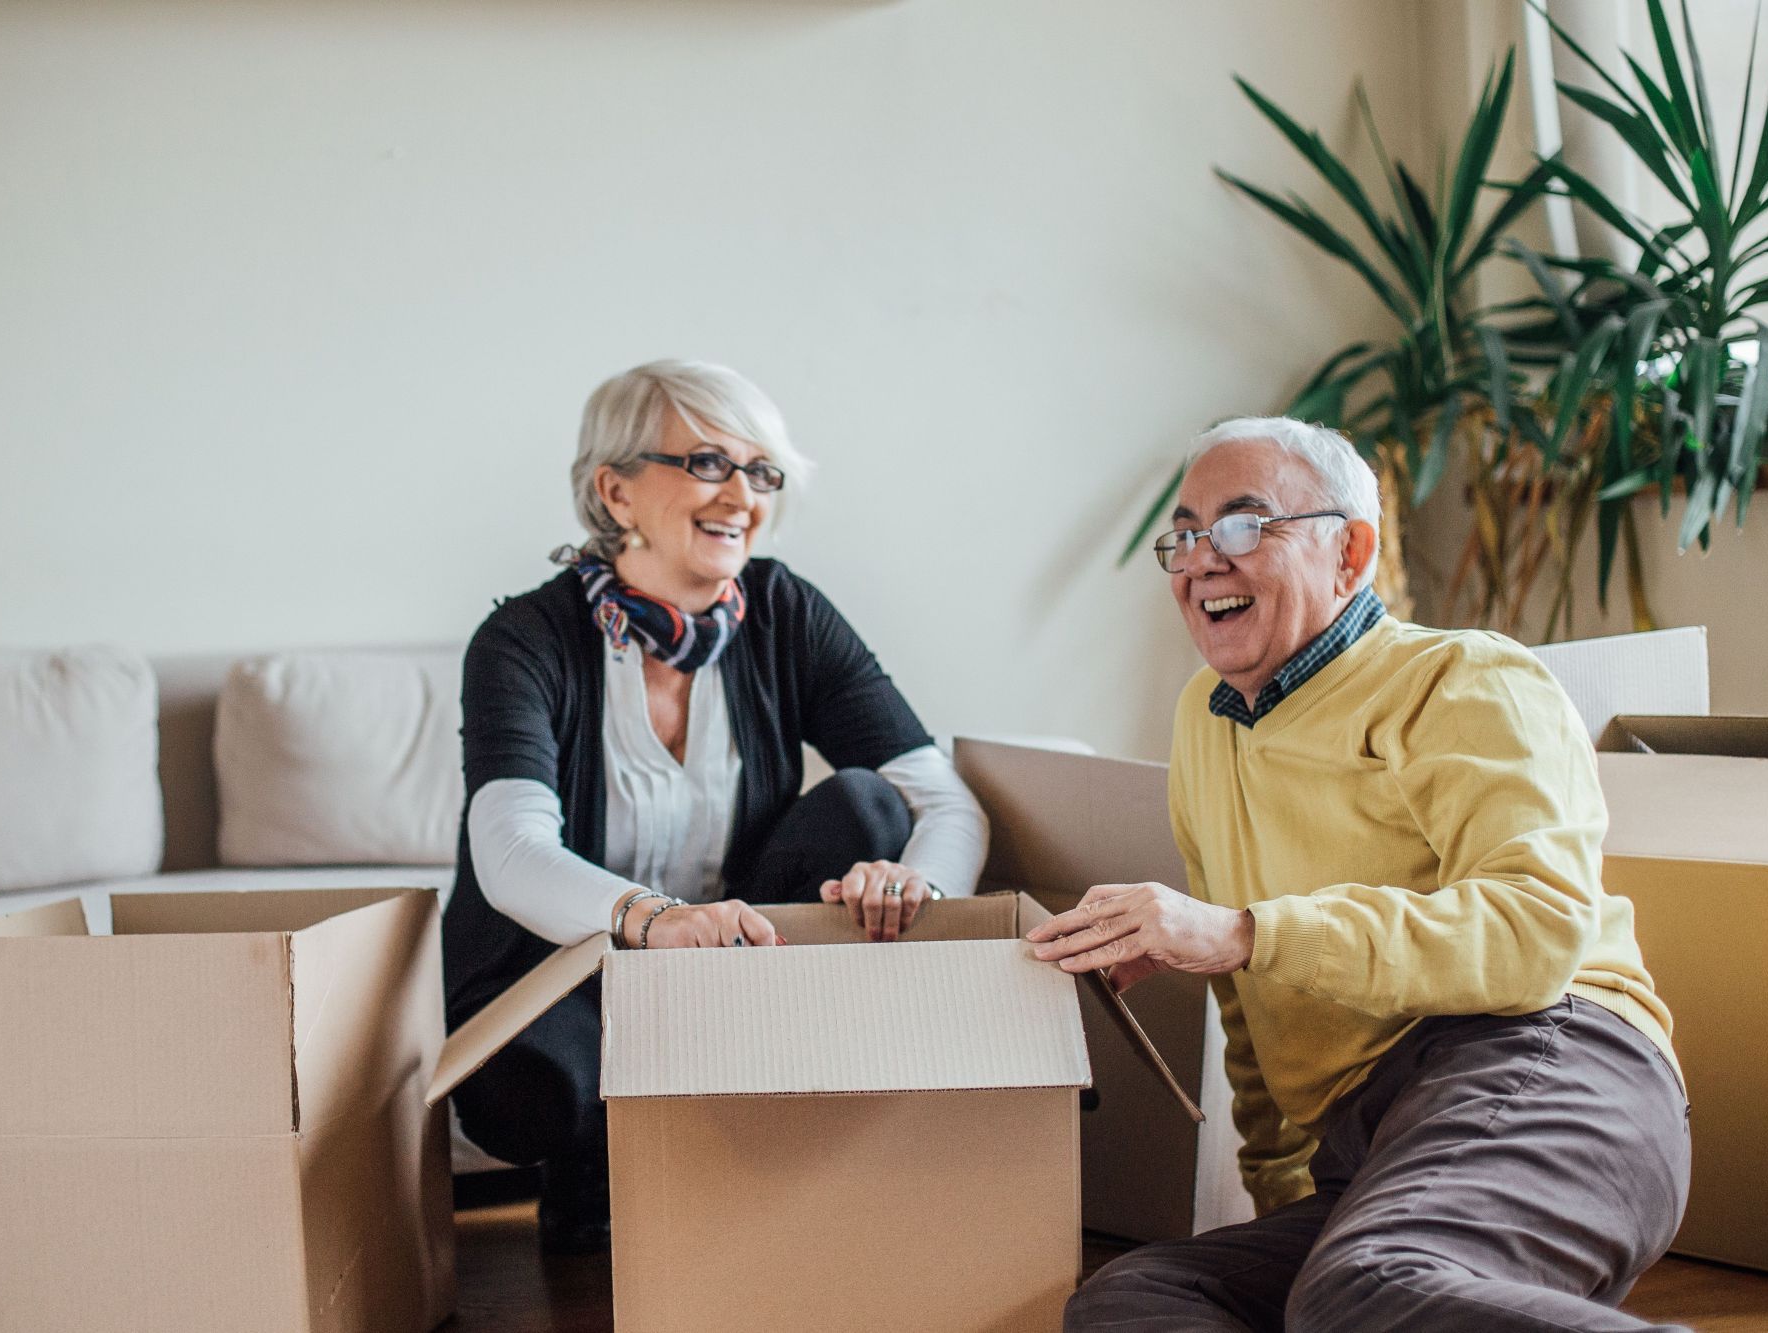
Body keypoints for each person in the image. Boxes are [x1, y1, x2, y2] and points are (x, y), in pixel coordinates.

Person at [1032, 418, 1690, 1332]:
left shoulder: (1463, 678)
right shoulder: (1204, 722)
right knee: (1133, 1299)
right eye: (1185, 535)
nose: (1202, 560)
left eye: (1243, 524)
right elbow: (1251, 1011)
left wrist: (1246, 930)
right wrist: (1279, 1195)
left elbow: (1535, 933)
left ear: (1350, 552)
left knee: (1360, 1287)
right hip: (1373, 1143)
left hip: (1553, 1065)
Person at [441, 359, 989, 1254]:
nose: (741, 496)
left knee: (870, 809)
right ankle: (592, 1171)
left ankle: (763, 1150)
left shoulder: (784, 611)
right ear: (615, 490)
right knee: (532, 1091)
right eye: (705, 463)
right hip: (567, 971)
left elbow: (945, 802)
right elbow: (507, 849)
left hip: (738, 967)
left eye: (761, 471)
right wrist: (653, 921)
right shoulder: (524, 639)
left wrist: (916, 888)